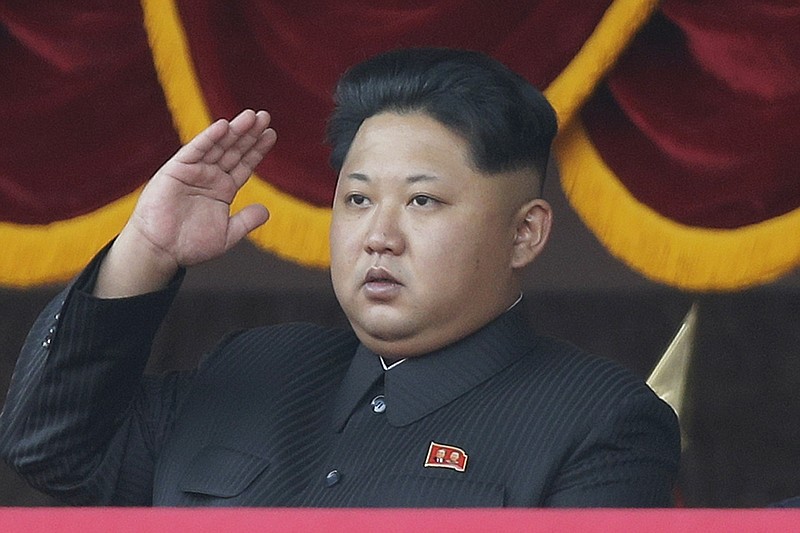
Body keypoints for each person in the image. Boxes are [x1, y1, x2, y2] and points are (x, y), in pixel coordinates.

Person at [0, 48, 680, 507]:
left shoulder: (602, 422)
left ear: (524, 232)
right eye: (357, 199)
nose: (378, 235)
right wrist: (146, 248)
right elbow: (50, 449)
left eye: (422, 200)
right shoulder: (255, 366)